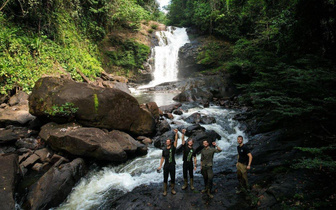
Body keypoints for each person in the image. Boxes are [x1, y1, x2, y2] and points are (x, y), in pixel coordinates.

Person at [157, 129, 179, 196]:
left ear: (170, 142)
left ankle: (172, 189)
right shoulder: (164, 149)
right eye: (167, 142)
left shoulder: (173, 148)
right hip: (166, 166)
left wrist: (176, 133)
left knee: (172, 177)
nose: (167, 142)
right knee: (165, 178)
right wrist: (160, 165)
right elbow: (162, 157)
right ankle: (165, 190)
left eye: (168, 141)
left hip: (172, 165)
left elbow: (176, 141)